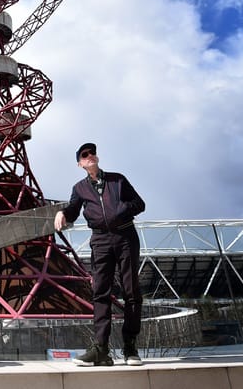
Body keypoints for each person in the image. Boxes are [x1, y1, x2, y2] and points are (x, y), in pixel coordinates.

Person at [54, 142, 145, 367]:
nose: (90, 156)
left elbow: (139, 204)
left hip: (125, 237)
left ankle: (130, 347)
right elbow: (74, 210)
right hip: (101, 241)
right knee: (100, 293)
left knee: (131, 291)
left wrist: (120, 213)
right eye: (85, 155)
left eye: (92, 152)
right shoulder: (80, 188)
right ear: (80, 164)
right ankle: (100, 350)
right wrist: (62, 212)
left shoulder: (118, 179)